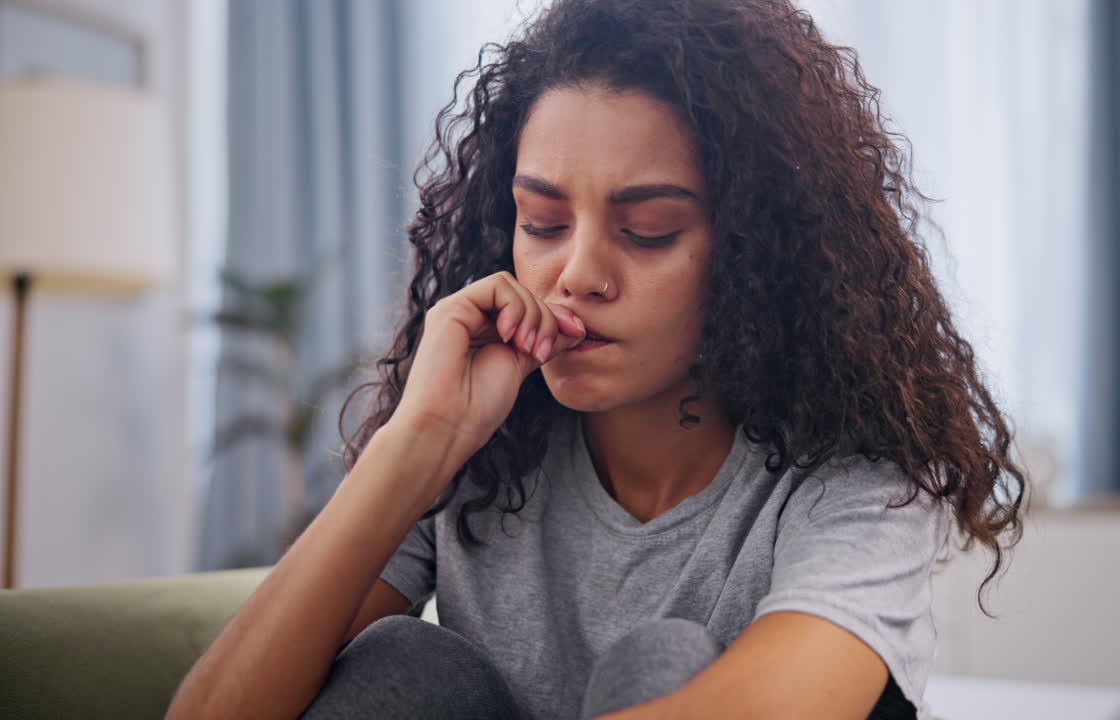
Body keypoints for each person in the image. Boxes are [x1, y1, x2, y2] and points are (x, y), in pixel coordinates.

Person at [166, 0, 1027, 718]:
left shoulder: (856, 476)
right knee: (405, 667)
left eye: (646, 231)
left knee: (665, 661)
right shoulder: (485, 452)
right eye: (541, 223)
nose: (575, 274)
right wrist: (417, 442)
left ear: (763, 257)